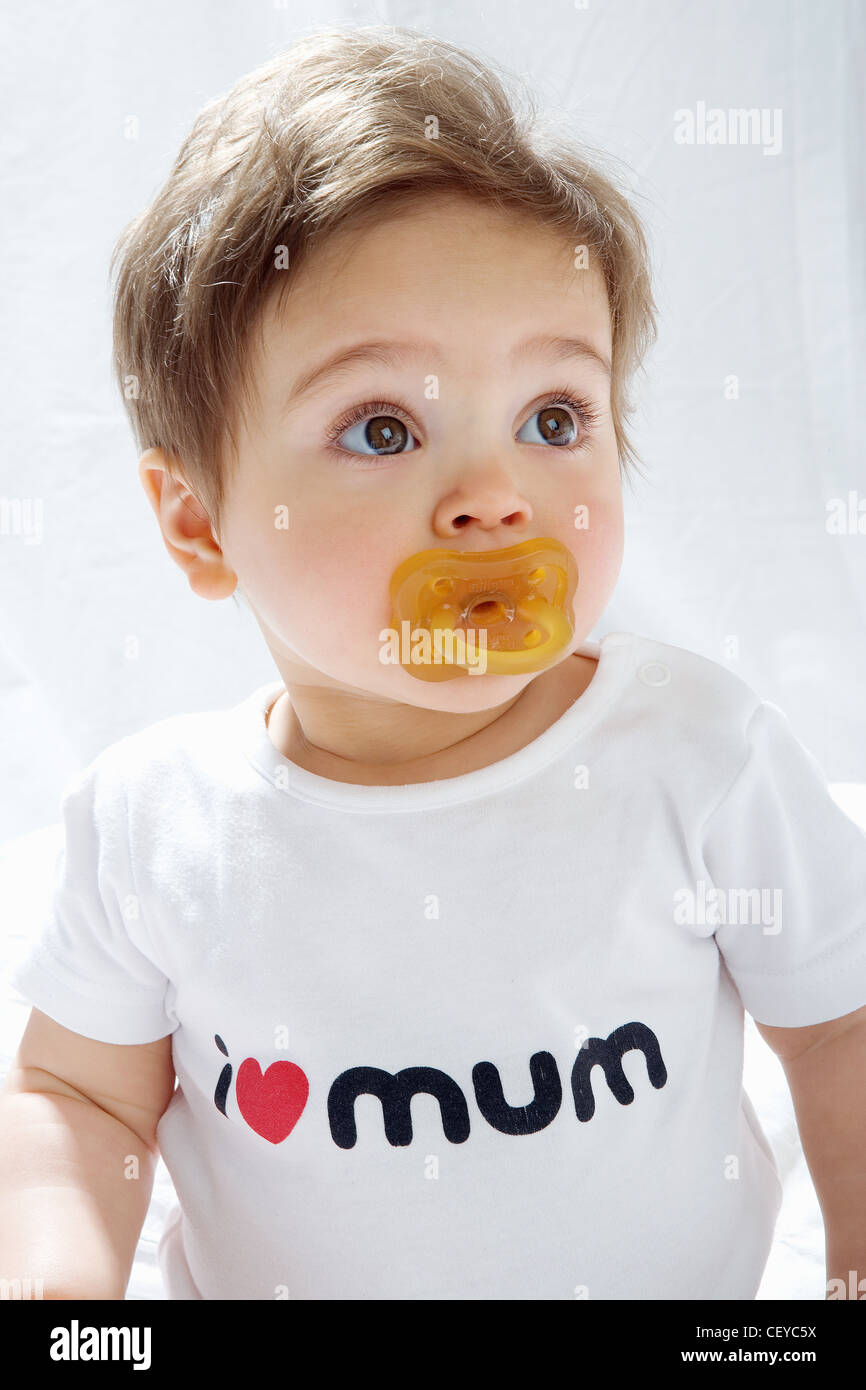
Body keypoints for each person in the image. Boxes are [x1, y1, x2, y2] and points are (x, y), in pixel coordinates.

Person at [3, 24, 865, 1301]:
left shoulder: (695, 754)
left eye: (553, 418)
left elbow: (840, 1027)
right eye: (382, 425)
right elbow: (75, 1097)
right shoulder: (154, 826)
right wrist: (66, 1295)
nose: (492, 497)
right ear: (198, 520)